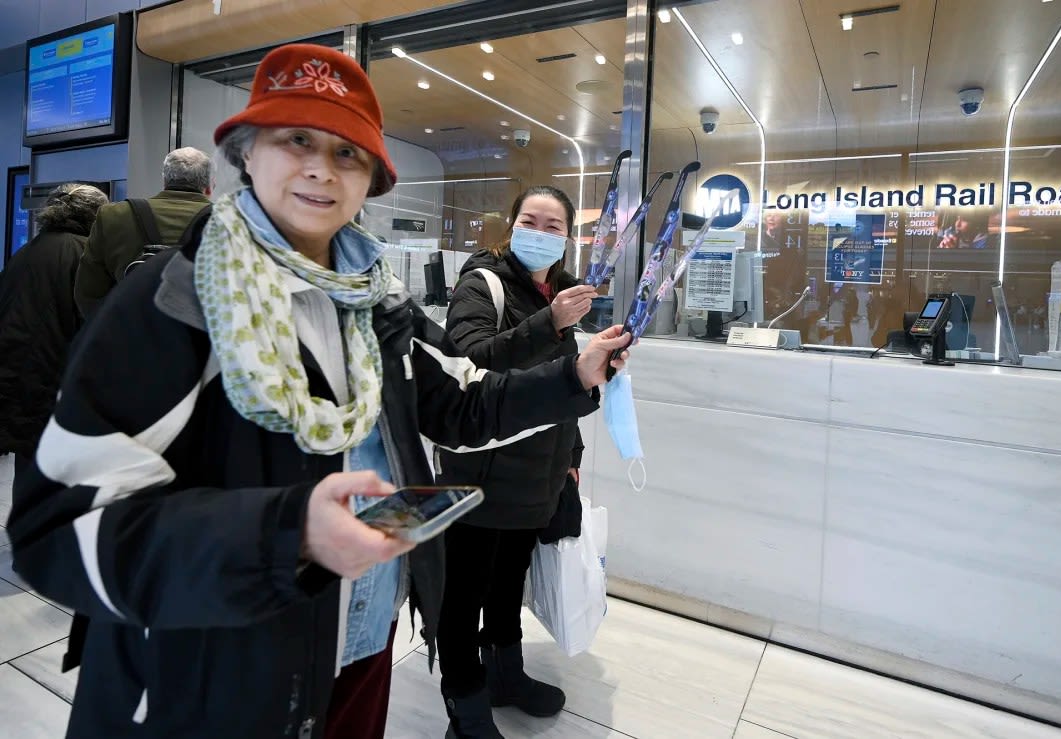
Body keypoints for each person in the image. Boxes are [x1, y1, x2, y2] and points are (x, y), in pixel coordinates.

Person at [6, 44, 629, 739]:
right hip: (211, 674)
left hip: (360, 647)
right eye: (295, 140)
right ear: (246, 153)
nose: (319, 168)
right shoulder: (173, 302)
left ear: (368, 181)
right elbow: (54, 526)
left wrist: (573, 376)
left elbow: (460, 403)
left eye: (347, 154)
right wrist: (286, 533)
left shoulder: (375, 305)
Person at [435, 185, 597, 738]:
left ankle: (506, 674)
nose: (541, 232)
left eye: (554, 225)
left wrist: (571, 457)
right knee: (463, 593)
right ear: (512, 225)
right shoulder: (481, 284)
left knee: (508, 586)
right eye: (531, 220)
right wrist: (547, 322)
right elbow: (472, 359)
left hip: (538, 475)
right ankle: (466, 703)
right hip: (479, 474)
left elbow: (563, 383)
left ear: (568, 237)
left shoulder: (565, 291)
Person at [0, 183, 108, 490]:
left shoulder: (26, 252)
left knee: (29, 465)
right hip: (58, 380)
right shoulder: (85, 254)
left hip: (19, 375)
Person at [74, 146, 212, 316]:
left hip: (130, 332)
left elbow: (89, 291)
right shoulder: (229, 221)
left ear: (165, 182)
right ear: (208, 187)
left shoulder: (113, 216)